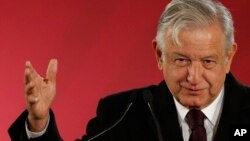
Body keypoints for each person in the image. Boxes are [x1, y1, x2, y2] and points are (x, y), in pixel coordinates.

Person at [8, 0, 250, 141]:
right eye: (182, 60)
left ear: (229, 58)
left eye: (208, 62)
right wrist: (39, 123)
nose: (194, 77)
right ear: (159, 55)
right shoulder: (122, 112)